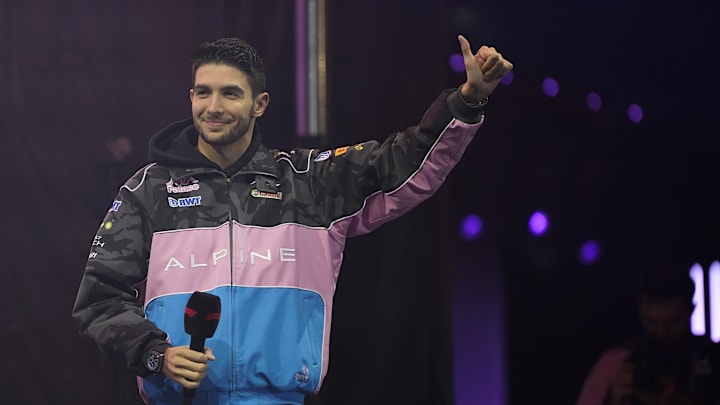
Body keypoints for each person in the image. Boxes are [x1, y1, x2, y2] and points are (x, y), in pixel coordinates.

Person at [72, 36, 513, 405]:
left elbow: (402, 162)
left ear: (260, 103)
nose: (213, 106)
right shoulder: (148, 189)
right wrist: (156, 354)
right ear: (190, 96)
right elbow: (99, 300)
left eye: (231, 93)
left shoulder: (308, 184)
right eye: (203, 92)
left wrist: (467, 101)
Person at [576, 262, 720, 405]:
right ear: (639, 311)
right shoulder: (616, 363)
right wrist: (614, 400)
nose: (661, 332)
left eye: (672, 323)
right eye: (651, 322)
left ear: (691, 310)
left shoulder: (713, 358)